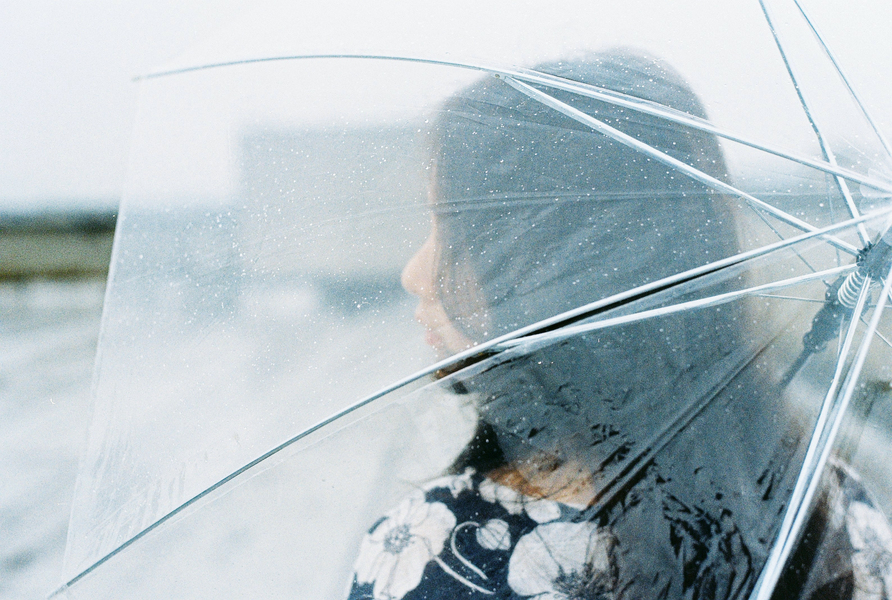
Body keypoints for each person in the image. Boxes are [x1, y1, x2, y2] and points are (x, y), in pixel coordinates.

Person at [346, 50, 892, 600]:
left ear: (549, 271)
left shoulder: (435, 554)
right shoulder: (838, 518)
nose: (414, 274)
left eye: (448, 230)